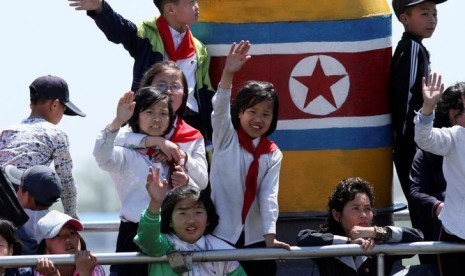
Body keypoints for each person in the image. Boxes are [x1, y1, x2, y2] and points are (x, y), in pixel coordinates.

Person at [93, 87, 207, 276]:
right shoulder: (127, 154)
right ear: (137, 117)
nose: (157, 118)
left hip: (172, 235)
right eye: (149, 112)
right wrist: (118, 121)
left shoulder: (175, 154)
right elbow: (102, 155)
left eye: (163, 113)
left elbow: (198, 191)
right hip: (134, 235)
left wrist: (185, 181)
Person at [68, 0, 215, 145]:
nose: (197, 6)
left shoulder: (199, 48)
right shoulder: (147, 34)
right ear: (170, 9)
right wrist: (100, 8)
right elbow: (122, 30)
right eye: (191, 2)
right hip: (151, 119)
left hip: (189, 121)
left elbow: (205, 92)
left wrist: (211, 133)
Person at [209, 40, 290, 276]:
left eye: (266, 114)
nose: (258, 119)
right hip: (220, 236)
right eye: (252, 111)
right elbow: (220, 108)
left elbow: (269, 196)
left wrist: (270, 237)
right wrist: (228, 72)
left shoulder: (272, 152)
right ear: (240, 112)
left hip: (257, 238)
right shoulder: (226, 138)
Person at [297, 177, 424, 276]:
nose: (363, 215)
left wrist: (375, 232)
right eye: (356, 209)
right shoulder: (329, 241)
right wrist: (348, 242)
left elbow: (418, 237)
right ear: (336, 215)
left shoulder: (381, 241)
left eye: (367, 209)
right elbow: (303, 238)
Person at [134, 166, 247, 275]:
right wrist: (155, 202)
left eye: (198, 212)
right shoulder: (163, 246)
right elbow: (146, 238)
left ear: (208, 218)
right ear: (170, 221)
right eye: (183, 213)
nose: (191, 220)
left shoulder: (223, 252)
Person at [0, 75, 85, 219]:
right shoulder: (55, 133)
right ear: (55, 104)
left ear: (31, 104)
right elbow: (66, 180)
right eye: (64, 110)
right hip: (27, 203)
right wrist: (71, 216)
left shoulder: (8, 131)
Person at [389, 0, 447, 204]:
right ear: (404, 19)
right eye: (424, 14)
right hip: (411, 141)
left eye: (434, 14)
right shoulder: (412, 47)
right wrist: (403, 135)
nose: (432, 20)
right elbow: (404, 95)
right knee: (421, 201)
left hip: (414, 140)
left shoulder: (417, 48)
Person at [407, 82, 465, 269]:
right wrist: (428, 106)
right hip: (455, 231)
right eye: (459, 112)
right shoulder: (453, 137)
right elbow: (424, 138)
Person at [3, 165, 62, 255]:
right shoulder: (59, 225)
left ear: (26, 196)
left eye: (19, 189)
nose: (16, 192)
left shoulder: (8, 222)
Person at [34, 210, 105, 276]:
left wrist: (85, 272)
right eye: (57, 235)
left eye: (72, 233)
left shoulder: (92, 266)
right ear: (45, 248)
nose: (68, 239)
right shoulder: (37, 271)